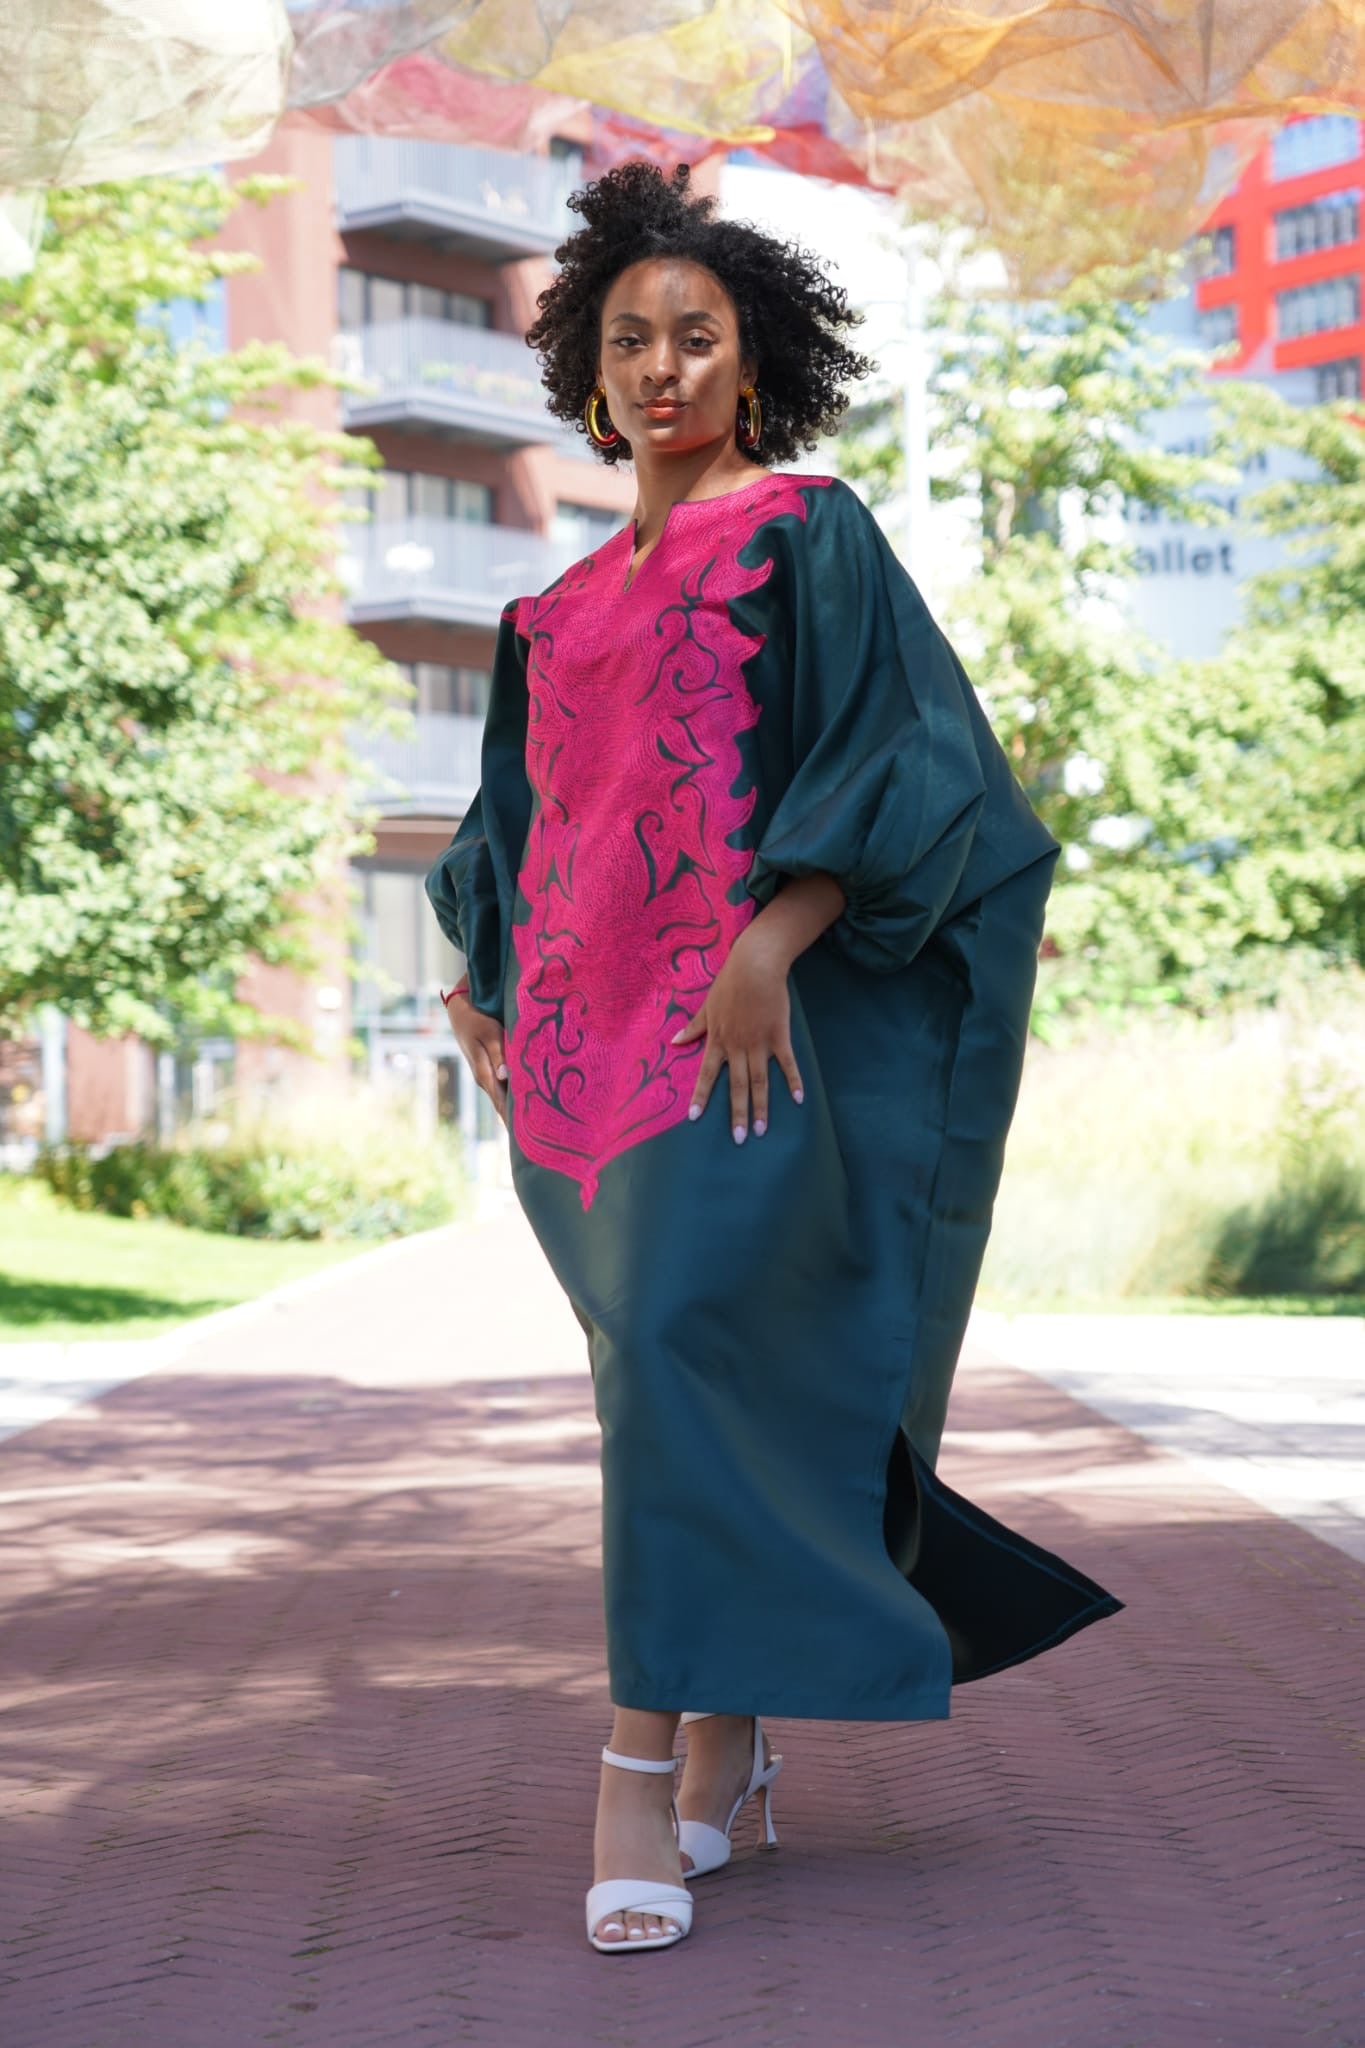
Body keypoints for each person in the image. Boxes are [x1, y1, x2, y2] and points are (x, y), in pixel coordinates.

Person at [426, 160, 1122, 1957]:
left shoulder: (807, 534)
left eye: (698, 340)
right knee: (669, 1379)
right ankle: (734, 1743)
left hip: (742, 1052)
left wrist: (769, 942)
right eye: (628, 340)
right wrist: (476, 977)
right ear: (588, 370)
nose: (662, 369)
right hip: (575, 1067)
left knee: (672, 1354)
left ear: (754, 366)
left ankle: (636, 1768)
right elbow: (522, 823)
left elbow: (911, 762)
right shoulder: (552, 608)